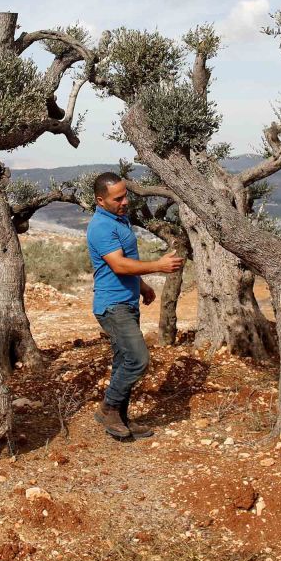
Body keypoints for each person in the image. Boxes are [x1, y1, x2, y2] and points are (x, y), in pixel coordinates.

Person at [87, 171, 185, 439]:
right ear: (100, 200)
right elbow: (118, 264)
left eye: (125, 195)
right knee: (138, 360)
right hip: (112, 305)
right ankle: (108, 408)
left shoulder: (119, 219)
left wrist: (142, 286)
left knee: (124, 361)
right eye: (118, 198)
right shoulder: (101, 227)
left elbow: (125, 262)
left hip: (127, 301)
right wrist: (158, 266)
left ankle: (122, 420)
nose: (125, 201)